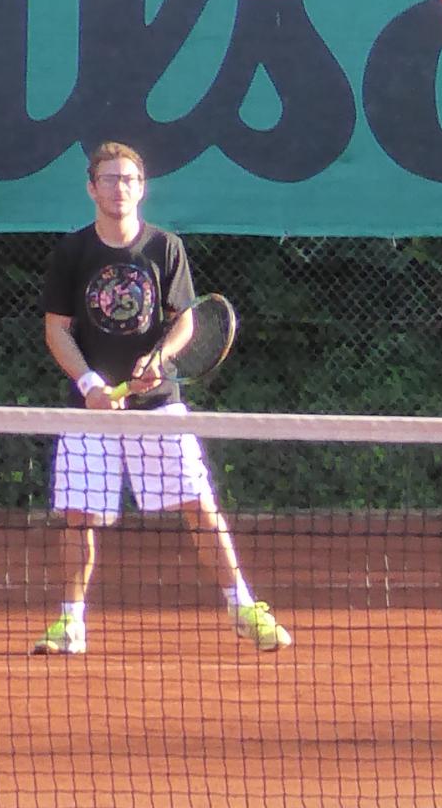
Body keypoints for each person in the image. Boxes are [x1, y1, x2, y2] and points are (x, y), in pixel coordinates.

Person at [34, 141, 290, 656]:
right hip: (89, 410)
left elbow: (184, 322)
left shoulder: (165, 247)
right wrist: (89, 384)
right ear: (92, 188)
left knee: (199, 506)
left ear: (142, 188)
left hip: (159, 405)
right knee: (78, 516)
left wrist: (159, 360)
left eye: (129, 179)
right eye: (109, 179)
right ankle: (71, 622)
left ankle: (243, 607)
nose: (120, 188)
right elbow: (56, 330)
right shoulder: (72, 252)